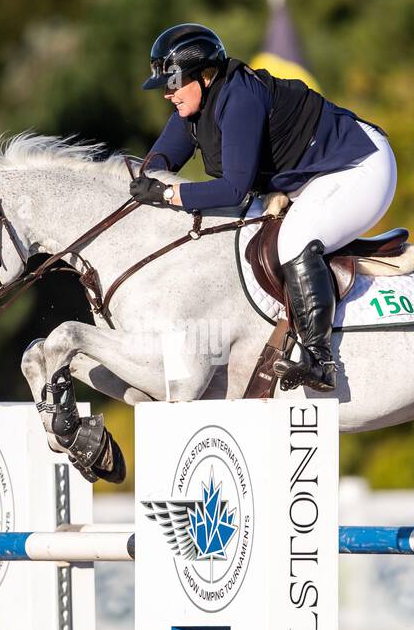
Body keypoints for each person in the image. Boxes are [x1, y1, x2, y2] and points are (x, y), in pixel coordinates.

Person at [130, 23, 397, 392]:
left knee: (294, 240)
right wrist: (138, 181)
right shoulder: (194, 108)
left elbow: (235, 190)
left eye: (173, 84)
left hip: (360, 165)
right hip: (314, 176)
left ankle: (320, 360)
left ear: (205, 76)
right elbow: (160, 162)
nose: (167, 95)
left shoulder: (240, 98)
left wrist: (170, 196)